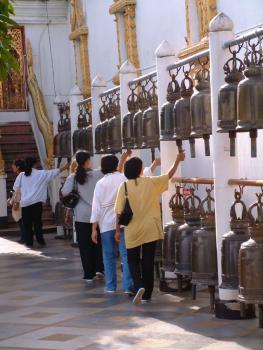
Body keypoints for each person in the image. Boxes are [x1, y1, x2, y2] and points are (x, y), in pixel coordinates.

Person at [114, 152, 185, 304]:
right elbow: (168, 175)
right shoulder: (150, 182)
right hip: (150, 227)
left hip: (133, 228)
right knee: (148, 260)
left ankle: (139, 285)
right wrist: (177, 160)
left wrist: (117, 230)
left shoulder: (124, 186)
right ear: (140, 170)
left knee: (132, 260)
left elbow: (119, 212)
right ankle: (147, 295)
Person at [91, 152, 159, 294]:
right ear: (116, 165)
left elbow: (96, 208)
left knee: (108, 256)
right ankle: (128, 286)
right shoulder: (124, 178)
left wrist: (94, 228)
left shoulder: (100, 183)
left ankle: (110, 286)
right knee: (126, 256)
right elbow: (142, 176)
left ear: (103, 167)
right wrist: (153, 165)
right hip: (123, 224)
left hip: (105, 226)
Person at [62, 151, 104, 281]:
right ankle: (99, 269)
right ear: (87, 161)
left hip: (81, 216)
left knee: (85, 246)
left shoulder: (72, 177)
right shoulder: (97, 174)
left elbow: (64, 192)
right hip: (97, 216)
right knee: (98, 243)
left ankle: (88, 274)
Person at [13, 157, 68, 248]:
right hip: (36, 203)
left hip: (25, 203)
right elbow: (54, 172)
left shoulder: (22, 175)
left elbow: (15, 188)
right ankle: (40, 240)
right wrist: (65, 167)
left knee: (27, 224)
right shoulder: (41, 174)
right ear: (35, 164)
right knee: (37, 223)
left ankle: (29, 242)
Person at [8, 159, 25, 243]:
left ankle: (24, 237)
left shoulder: (20, 176)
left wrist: (12, 201)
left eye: (13, 165)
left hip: (20, 201)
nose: (12, 167)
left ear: (18, 167)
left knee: (21, 220)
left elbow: (17, 191)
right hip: (24, 200)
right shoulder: (23, 176)